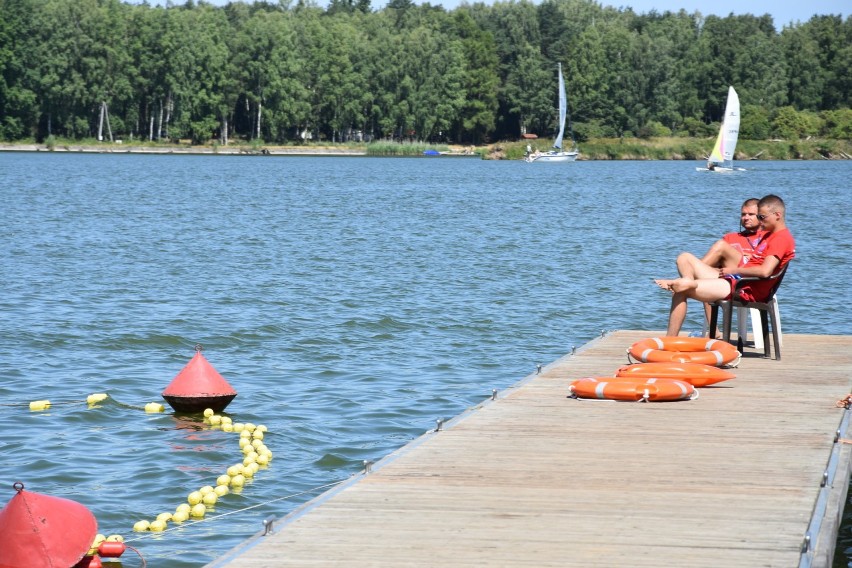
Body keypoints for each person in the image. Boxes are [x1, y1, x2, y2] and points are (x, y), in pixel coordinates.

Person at [654, 195, 795, 337]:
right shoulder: (770, 236)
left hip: (744, 286)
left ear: (777, 215)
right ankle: (688, 280)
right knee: (684, 258)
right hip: (737, 278)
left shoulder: (781, 238)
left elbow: (765, 271)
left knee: (681, 291)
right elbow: (756, 261)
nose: (760, 221)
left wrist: (733, 270)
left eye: (762, 217)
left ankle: (669, 341)